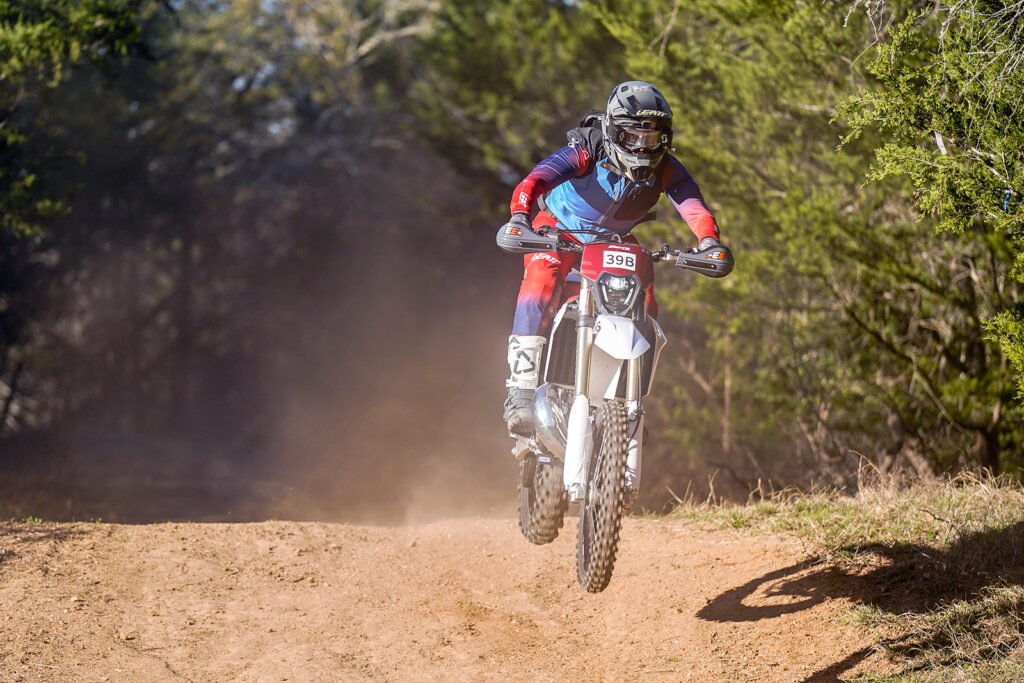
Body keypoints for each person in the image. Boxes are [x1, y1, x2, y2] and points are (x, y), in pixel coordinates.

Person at [502, 81, 722, 436]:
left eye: (650, 139)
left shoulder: (668, 168)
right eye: (631, 136)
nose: (641, 146)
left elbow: (693, 206)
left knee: (647, 302)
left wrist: (709, 241)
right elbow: (537, 179)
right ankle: (521, 391)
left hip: (615, 241)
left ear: (664, 140)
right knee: (541, 278)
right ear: (611, 131)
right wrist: (519, 217)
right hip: (559, 229)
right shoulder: (586, 148)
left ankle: (631, 403)